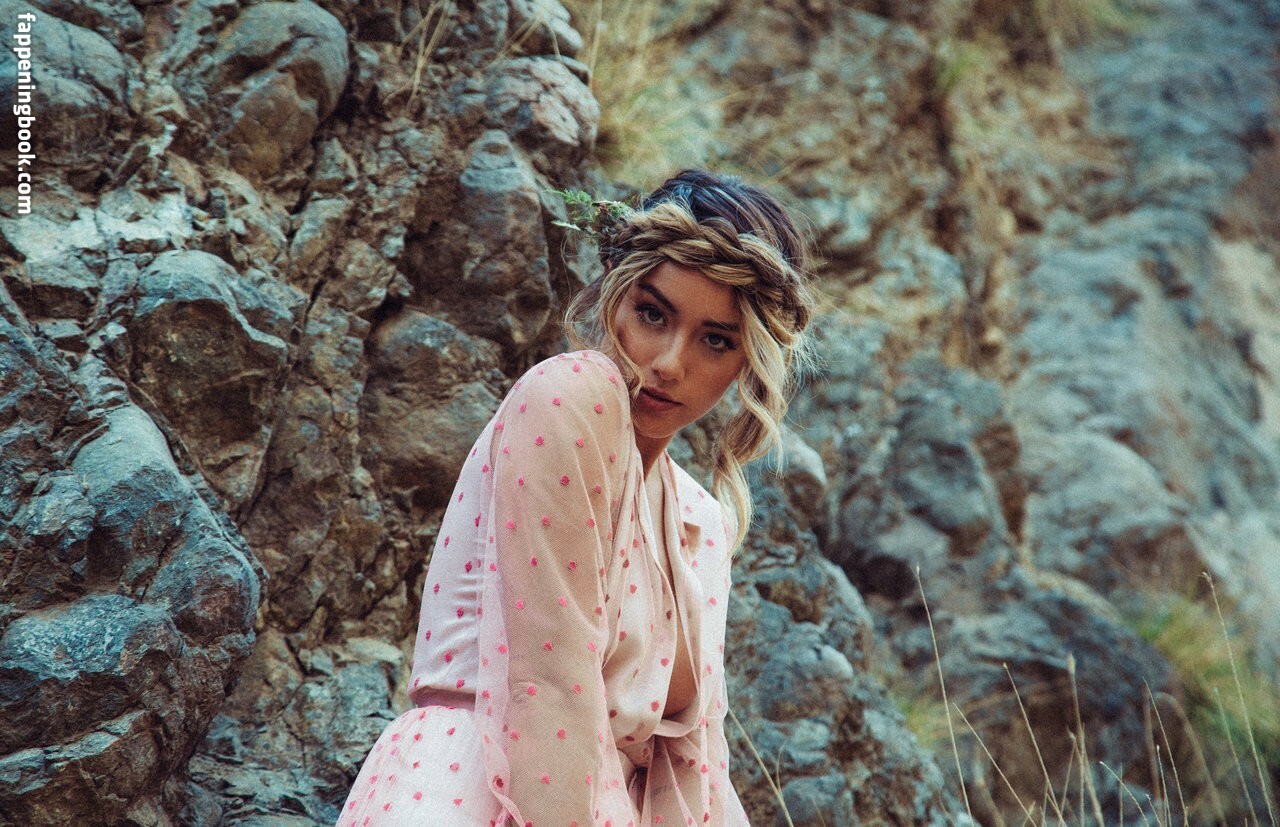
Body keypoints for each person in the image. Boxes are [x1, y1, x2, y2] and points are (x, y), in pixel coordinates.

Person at [338, 169, 814, 826]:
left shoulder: (701, 521)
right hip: (470, 791)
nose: (670, 362)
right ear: (614, 292)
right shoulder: (571, 397)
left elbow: (698, 769)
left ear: (746, 359)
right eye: (653, 314)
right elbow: (550, 690)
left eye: (716, 339)